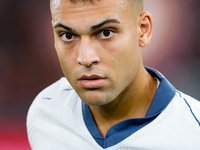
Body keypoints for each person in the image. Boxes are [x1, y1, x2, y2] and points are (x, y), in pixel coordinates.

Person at [27, 0, 200, 149]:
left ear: (143, 30)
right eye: (67, 35)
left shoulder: (194, 133)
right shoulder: (44, 112)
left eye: (106, 33)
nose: (85, 58)